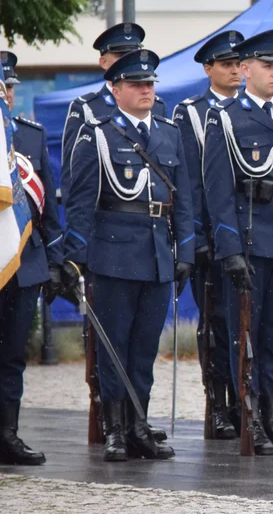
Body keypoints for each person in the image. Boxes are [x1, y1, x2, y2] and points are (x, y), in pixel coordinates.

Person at [62, 48, 194, 462]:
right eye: (137, 85)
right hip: (114, 253)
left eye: (150, 84)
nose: (146, 91)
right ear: (115, 89)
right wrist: (74, 258)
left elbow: (184, 198)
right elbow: (81, 203)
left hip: (157, 254)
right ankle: (115, 428)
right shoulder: (98, 133)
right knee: (114, 347)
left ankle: (139, 426)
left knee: (144, 348)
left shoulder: (169, 133)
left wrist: (185, 250)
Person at [202, 29, 273, 456]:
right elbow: (217, 192)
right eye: (268, 66)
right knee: (244, 334)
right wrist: (229, 249)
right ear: (245, 68)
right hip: (251, 242)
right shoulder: (226, 118)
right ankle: (249, 415)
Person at [171, 30, 244, 441]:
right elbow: (188, 182)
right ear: (208, 69)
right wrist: (195, 238)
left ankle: (246, 400)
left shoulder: (254, 109)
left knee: (249, 325)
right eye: (226, 64)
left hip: (251, 237)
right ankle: (219, 405)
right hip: (211, 240)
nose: (234, 70)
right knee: (216, 324)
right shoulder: (191, 113)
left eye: (238, 64)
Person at [0, 53, 60, 466]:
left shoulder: (31, 136)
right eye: (1, 86)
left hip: (23, 262)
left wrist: (55, 262)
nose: (6, 94)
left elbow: (50, 213)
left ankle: (7, 434)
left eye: (9, 86)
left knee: (13, 356)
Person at [61, 23, 165, 199]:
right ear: (103, 62)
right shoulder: (86, 107)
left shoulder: (157, 105)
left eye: (133, 55)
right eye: (121, 55)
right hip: (108, 211)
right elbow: (72, 172)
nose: (128, 61)